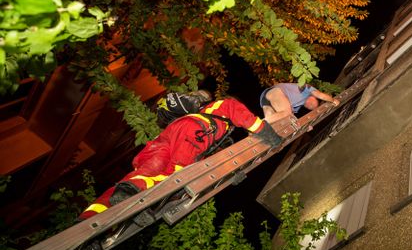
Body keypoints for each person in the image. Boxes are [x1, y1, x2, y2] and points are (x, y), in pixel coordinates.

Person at [79, 93, 282, 223]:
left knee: (150, 170)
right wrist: (266, 132)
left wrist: (232, 174)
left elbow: (213, 161)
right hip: (193, 133)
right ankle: (135, 195)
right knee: (174, 174)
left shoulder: (215, 130)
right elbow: (238, 112)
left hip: (169, 139)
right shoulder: (224, 106)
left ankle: (91, 219)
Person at [259, 82, 340, 123]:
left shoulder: (296, 106)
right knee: (287, 113)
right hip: (276, 91)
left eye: (309, 107)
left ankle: (255, 128)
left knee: (272, 122)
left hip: (265, 99)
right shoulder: (307, 89)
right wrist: (333, 100)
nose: (309, 105)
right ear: (313, 97)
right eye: (312, 103)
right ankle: (256, 125)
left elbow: (292, 118)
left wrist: (304, 125)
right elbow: (321, 95)